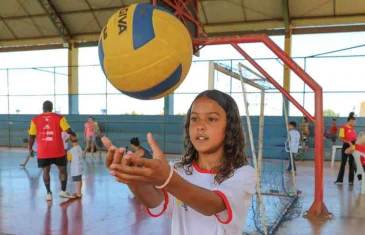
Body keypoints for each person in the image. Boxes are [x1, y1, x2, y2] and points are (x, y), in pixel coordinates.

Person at [102, 89, 257, 235]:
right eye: (194, 119)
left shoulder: (243, 174)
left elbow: (212, 205)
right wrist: (131, 178)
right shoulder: (179, 170)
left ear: (230, 127)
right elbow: (155, 201)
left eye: (211, 119)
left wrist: (168, 179)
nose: (200, 126)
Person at [28, 100, 76, 200]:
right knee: (62, 170)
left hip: (43, 151)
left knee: (46, 171)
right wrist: (73, 133)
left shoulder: (35, 120)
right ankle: (63, 191)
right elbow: (67, 130)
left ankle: (48, 193)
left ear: (43, 108)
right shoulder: (59, 118)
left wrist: (30, 148)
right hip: (57, 150)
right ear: (52, 108)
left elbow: (32, 136)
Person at [334, 112, 357, 185]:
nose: (354, 123)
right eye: (354, 122)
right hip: (346, 146)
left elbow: (354, 138)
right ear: (351, 121)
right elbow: (341, 138)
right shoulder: (343, 127)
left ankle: (351, 181)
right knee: (343, 163)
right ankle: (339, 180)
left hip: (353, 146)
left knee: (352, 163)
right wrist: (348, 142)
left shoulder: (352, 128)